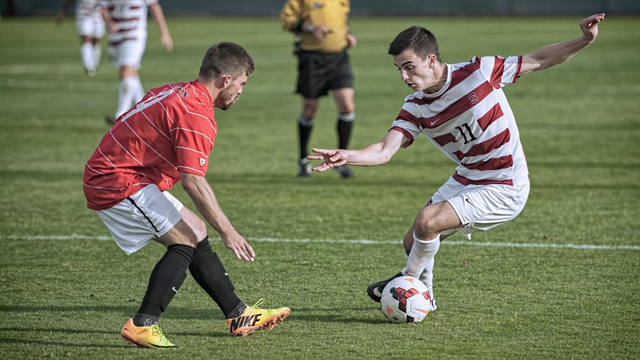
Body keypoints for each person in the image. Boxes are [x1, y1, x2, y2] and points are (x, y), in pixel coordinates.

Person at [309, 14, 605, 311]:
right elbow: (385, 151)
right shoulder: (415, 106)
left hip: (506, 184)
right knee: (413, 241)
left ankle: (406, 281)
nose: (404, 77)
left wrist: (585, 39)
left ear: (431, 60)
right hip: (468, 177)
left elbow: (540, 58)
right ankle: (426, 300)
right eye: (399, 69)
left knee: (428, 222)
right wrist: (349, 155)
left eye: (409, 67)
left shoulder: (479, 71)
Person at [83, 42, 290, 349]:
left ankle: (238, 314)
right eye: (242, 84)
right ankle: (143, 324)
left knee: (195, 229)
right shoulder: (196, 113)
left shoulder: (179, 91)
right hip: (116, 180)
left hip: (127, 174)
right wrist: (229, 232)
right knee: (183, 240)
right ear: (225, 81)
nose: (241, 92)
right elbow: (193, 182)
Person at [280, 0, 357, 178]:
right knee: (309, 110)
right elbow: (287, 20)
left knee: (347, 106)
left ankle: (341, 159)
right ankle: (303, 160)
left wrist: (347, 34)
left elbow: (342, 20)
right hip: (311, 59)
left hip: (339, 57)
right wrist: (308, 28)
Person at [99, 0, 173, 123]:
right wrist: (109, 21)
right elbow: (103, 7)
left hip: (134, 35)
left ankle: (120, 115)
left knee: (126, 71)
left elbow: (154, 6)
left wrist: (164, 34)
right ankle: (146, 111)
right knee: (130, 74)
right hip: (116, 37)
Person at [56, 0, 105, 76]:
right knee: (86, 38)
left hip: (98, 14)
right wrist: (63, 11)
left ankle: (94, 64)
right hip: (83, 14)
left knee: (96, 40)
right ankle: (89, 66)